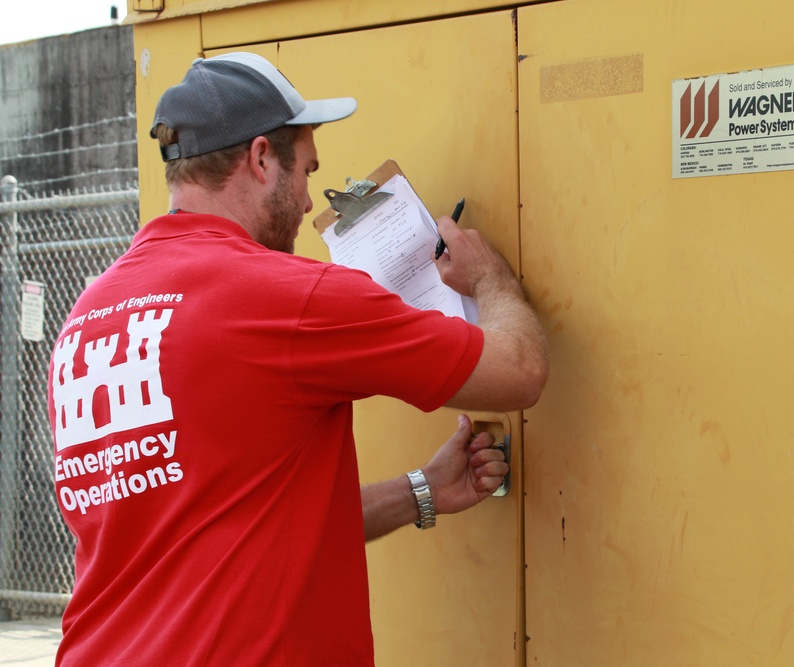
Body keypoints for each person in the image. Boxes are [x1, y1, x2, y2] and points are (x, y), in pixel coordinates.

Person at [47, 52, 547, 666]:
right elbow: (519, 371)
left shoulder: (90, 320)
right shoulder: (289, 297)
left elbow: (219, 528)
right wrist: (490, 279)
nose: (312, 202)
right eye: (308, 171)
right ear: (261, 159)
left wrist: (422, 491)